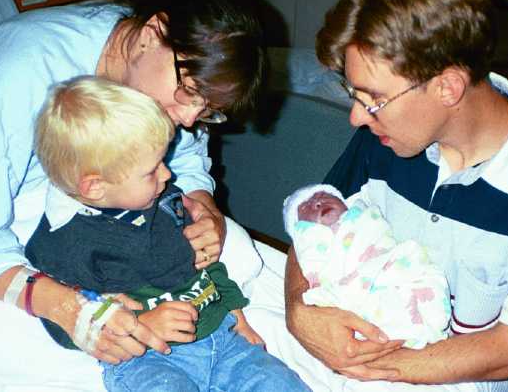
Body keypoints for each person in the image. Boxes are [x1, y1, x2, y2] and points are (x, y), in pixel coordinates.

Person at [283, 0, 508, 390]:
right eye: (354, 94)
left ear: (448, 87)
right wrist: (299, 311)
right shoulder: (382, 137)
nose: (356, 117)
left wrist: (370, 369)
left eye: (373, 99)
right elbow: (312, 224)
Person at [0, 0, 264, 383]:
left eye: (207, 109)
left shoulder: (152, 67)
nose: (189, 118)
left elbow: (185, 157)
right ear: (151, 34)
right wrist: (71, 309)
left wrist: (203, 206)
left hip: (95, 199)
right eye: (188, 92)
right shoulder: (25, 71)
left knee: (238, 251)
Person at [24, 77, 310, 392]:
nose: (167, 174)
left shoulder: (166, 201)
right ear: (94, 186)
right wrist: (140, 325)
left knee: (278, 383)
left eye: (163, 161)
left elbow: (204, 264)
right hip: (149, 356)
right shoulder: (63, 242)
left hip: (224, 340)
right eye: (151, 171)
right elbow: (69, 318)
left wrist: (235, 313)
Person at [283, 183, 451, 350]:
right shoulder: (310, 244)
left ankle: (426, 319)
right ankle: (407, 330)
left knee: (423, 275)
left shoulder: (364, 217)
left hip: (394, 264)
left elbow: (378, 233)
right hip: (355, 292)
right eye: (305, 207)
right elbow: (315, 271)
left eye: (324, 196)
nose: (318, 203)